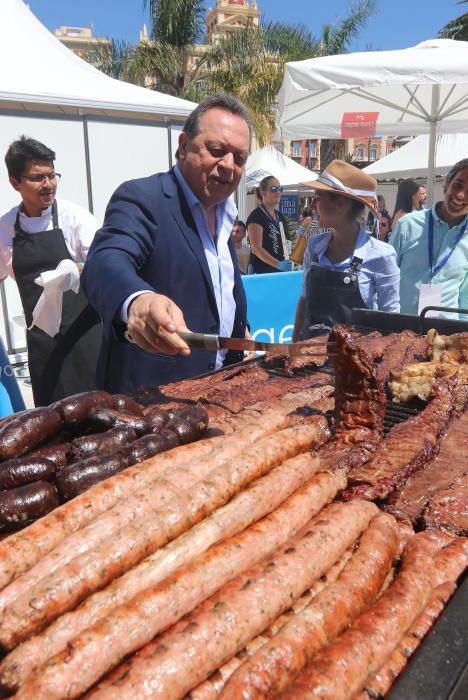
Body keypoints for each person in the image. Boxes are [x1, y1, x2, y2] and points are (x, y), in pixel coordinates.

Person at [82, 94, 251, 394]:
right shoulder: (143, 198)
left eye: (239, 158)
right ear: (183, 144)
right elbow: (105, 261)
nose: (228, 165)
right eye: (216, 150)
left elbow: (218, 292)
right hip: (149, 404)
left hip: (221, 397)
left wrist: (241, 328)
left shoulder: (227, 213)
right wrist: (138, 300)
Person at [0, 136, 102, 406]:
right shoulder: (5, 229)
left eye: (51, 175)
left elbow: (106, 263)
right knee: (52, 420)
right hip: (42, 346)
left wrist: (76, 270)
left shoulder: (74, 217)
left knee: (96, 411)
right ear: (15, 182)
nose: (48, 184)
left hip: (84, 337)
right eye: (37, 178)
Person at [292, 160, 400, 341]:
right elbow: (304, 301)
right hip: (306, 360)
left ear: (341, 203)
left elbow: (390, 321)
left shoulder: (381, 255)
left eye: (317, 198)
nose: (311, 206)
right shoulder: (314, 246)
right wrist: (292, 347)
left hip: (352, 363)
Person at [390, 158, 468, 317]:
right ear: (447, 183)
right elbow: (385, 278)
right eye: (458, 185)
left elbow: (465, 297)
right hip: (402, 332)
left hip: (446, 336)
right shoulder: (407, 225)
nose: (460, 195)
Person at [247, 176, 293, 274]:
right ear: (263, 192)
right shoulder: (256, 216)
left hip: (281, 273)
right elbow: (256, 249)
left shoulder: (280, 217)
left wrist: (289, 260)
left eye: (280, 189)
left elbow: (286, 242)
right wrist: (278, 264)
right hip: (262, 273)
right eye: (273, 189)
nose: (278, 192)